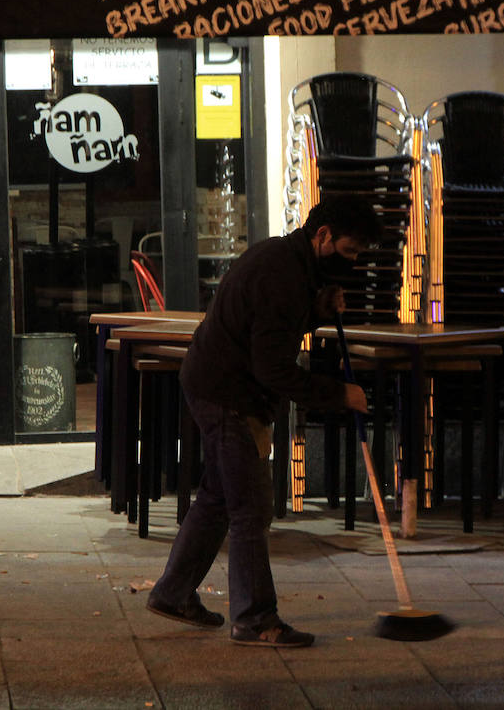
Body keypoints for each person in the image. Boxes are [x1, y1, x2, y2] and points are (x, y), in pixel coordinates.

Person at [147, 194, 382, 648]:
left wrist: (316, 312)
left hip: (216, 381)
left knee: (219, 496)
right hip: (226, 393)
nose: (352, 262)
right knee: (251, 506)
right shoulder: (284, 275)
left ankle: (173, 593)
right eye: (349, 251)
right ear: (324, 237)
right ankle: (255, 618)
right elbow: (272, 367)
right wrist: (338, 394)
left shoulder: (292, 264)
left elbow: (273, 328)